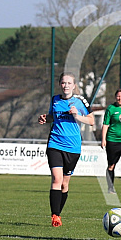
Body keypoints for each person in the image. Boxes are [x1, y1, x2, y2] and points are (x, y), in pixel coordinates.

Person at [38, 72, 94, 227]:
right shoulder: (55, 100)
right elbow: (52, 117)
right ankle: (55, 216)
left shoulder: (80, 101)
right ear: (60, 84)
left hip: (73, 147)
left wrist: (77, 116)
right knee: (57, 179)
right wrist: (45, 118)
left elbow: (91, 121)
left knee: (64, 184)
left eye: (69, 83)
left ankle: (58, 213)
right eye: (63, 83)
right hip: (55, 143)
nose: (66, 86)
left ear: (74, 86)